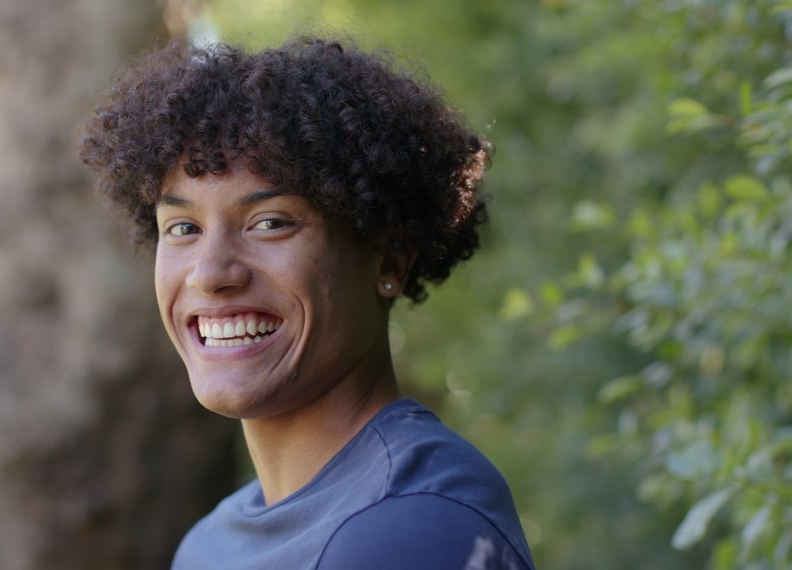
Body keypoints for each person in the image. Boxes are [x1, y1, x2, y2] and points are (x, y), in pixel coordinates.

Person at [81, 37, 535, 570]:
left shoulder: (410, 527)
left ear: (389, 260)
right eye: (183, 227)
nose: (210, 274)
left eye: (270, 223)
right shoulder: (209, 545)